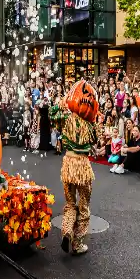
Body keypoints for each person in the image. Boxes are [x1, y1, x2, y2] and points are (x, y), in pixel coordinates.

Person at [50, 80, 98, 256]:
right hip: (83, 166)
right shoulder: (90, 125)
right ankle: (77, 244)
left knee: (70, 203)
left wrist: (61, 102)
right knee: (84, 205)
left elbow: (51, 113)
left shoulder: (65, 119)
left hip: (68, 164)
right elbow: (95, 140)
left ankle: (67, 231)